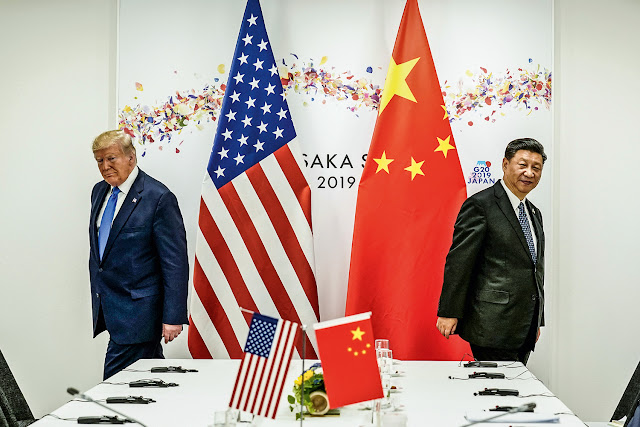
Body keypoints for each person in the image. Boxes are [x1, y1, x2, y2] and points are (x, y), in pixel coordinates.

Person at [436, 138, 546, 364]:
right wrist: (448, 311)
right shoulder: (481, 205)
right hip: (492, 324)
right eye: (523, 165)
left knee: (515, 383)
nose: (529, 172)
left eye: (536, 167)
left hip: (524, 326)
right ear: (505, 164)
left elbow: (535, 269)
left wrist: (537, 319)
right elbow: (459, 262)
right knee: (498, 382)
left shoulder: (534, 213)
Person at [89, 130, 188, 379]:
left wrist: (173, 316)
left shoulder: (158, 197)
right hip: (112, 307)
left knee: (113, 387)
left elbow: (175, 262)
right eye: (100, 160)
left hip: (139, 314)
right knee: (147, 381)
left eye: (111, 158)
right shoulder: (99, 192)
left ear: (131, 157)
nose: (105, 166)